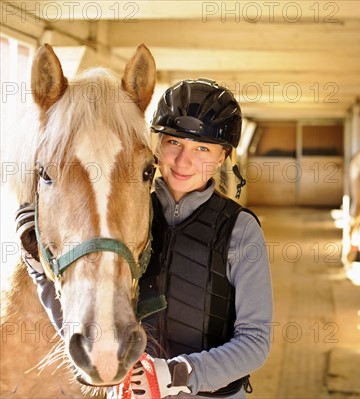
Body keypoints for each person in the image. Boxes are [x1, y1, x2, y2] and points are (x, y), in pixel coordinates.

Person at [16, 79, 273, 398]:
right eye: (174, 143)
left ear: (222, 158)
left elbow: (255, 341)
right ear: (157, 145)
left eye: (202, 148)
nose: (183, 161)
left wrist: (177, 374)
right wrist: (39, 270)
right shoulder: (130, 215)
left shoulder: (240, 229)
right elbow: (86, 316)